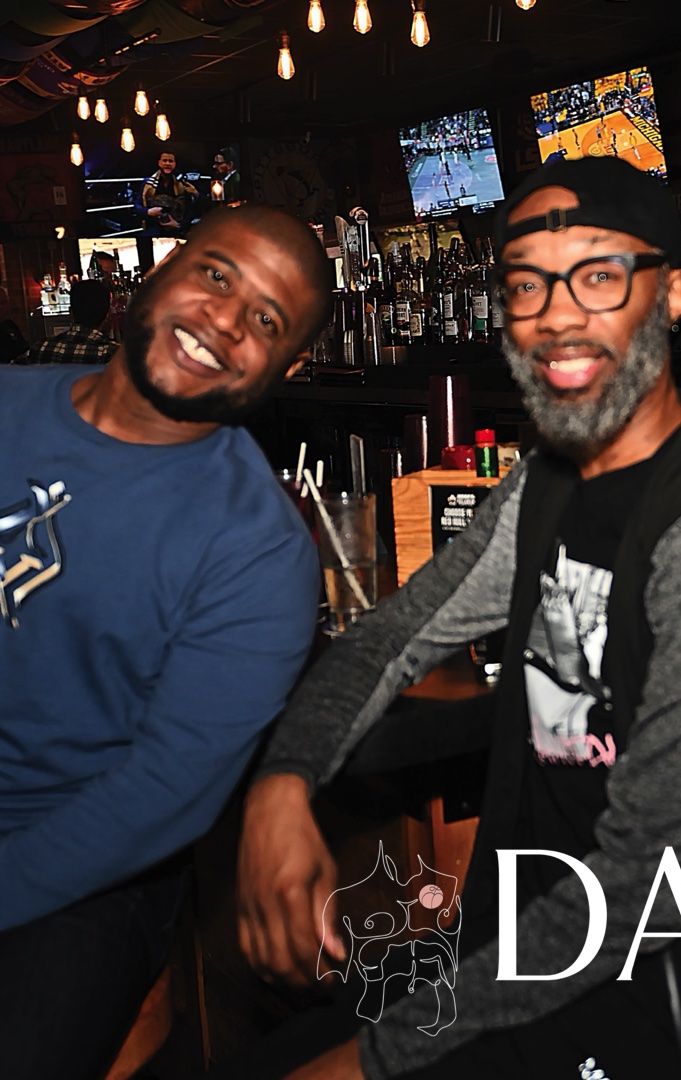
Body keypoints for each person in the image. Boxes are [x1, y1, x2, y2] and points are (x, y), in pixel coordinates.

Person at [233, 155, 681, 1079]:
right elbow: (390, 637)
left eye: (598, 275)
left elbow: (643, 882)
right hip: (535, 968)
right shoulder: (548, 486)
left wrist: (375, 1060)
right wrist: (283, 783)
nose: (557, 314)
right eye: (527, 284)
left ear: (671, 295)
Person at [0, 205, 330, 1078]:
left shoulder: (257, 549)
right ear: (158, 270)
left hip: (75, 866)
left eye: (266, 320)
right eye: (216, 274)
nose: (224, 320)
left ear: (289, 368)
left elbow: (160, 797)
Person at [27, 279, 116, 364]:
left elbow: (18, 369)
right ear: (108, 314)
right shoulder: (113, 354)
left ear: (70, 312)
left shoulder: (40, 348)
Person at [135, 150, 199, 236]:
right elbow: (137, 205)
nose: (167, 163)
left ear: (174, 164)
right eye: (164, 161)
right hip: (154, 227)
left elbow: (190, 209)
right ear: (159, 163)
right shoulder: (148, 184)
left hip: (176, 227)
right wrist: (147, 211)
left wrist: (179, 225)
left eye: (170, 161)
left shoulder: (182, 184)